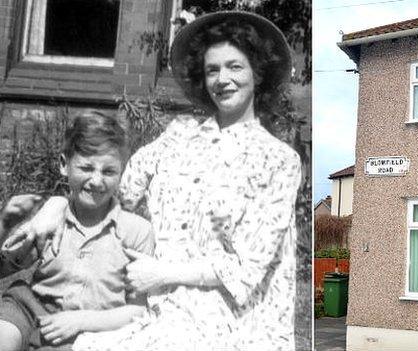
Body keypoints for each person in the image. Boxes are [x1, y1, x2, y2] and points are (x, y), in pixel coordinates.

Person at [22, 11, 301, 351]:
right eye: (212, 69)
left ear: (257, 73)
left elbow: (246, 269)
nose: (222, 79)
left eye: (235, 66)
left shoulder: (278, 160)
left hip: (232, 318)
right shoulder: (177, 138)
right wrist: (56, 204)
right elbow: (112, 189)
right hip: (155, 301)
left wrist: (163, 273)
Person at [0, 111, 155, 351]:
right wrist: (5, 223)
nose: (96, 180)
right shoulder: (48, 217)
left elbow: (138, 309)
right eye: (86, 168)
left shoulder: (136, 232)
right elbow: (4, 268)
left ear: (121, 172)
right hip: (30, 308)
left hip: (88, 327)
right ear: (64, 165)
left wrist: (81, 321)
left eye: (108, 171)